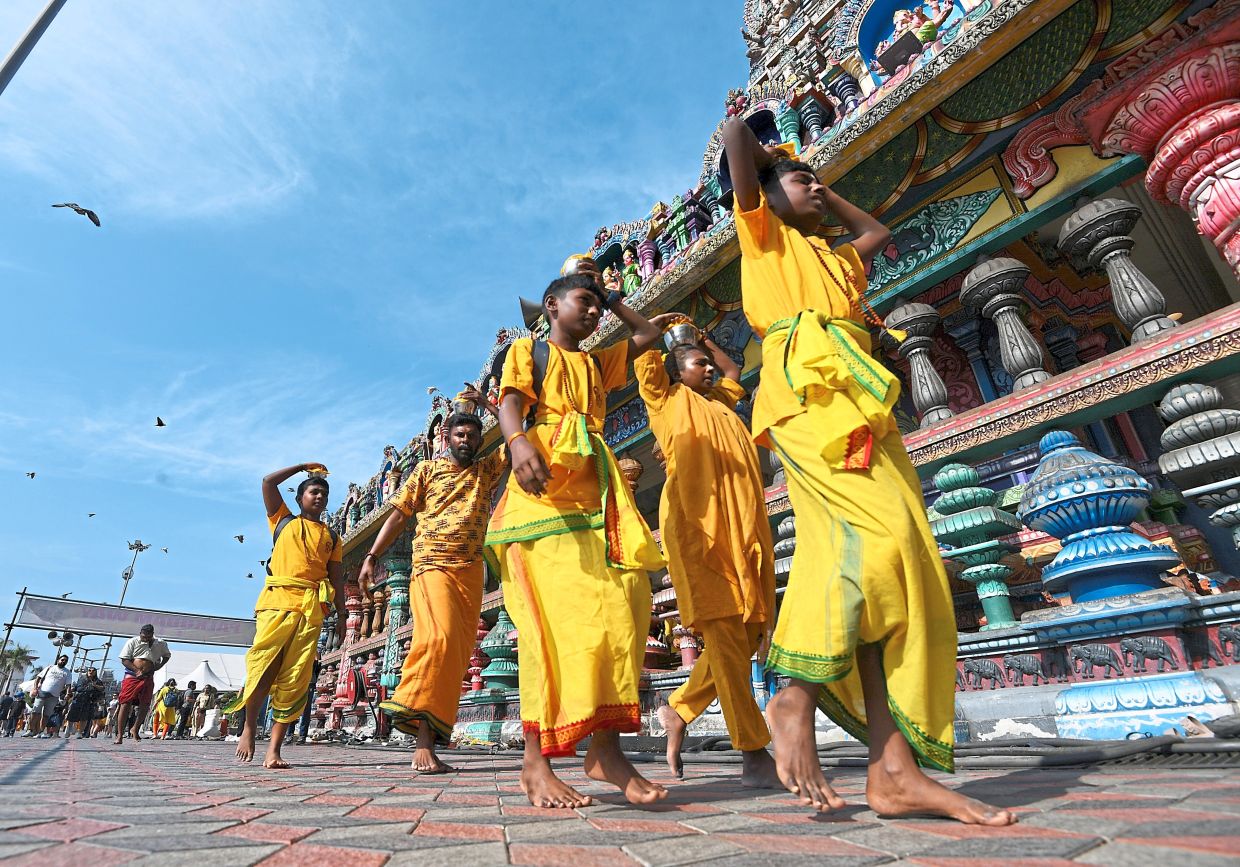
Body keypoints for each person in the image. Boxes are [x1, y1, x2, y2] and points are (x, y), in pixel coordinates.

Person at [722, 117, 1014, 825]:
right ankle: (793, 692)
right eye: (800, 182)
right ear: (766, 195)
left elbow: (876, 232)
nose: (813, 187)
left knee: (908, 561)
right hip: (808, 393)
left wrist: (820, 189)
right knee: (874, 542)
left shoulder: (834, 258)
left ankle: (895, 773)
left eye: (816, 181)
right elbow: (733, 135)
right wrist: (774, 159)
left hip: (860, 400)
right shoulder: (765, 237)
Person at [486, 258, 677, 808]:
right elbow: (510, 403)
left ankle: (606, 750)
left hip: (597, 495)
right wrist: (518, 443)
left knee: (622, 610)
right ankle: (535, 764)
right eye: (583, 302)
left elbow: (648, 334)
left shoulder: (596, 362)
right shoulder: (529, 351)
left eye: (596, 306)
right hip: (542, 493)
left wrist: (612, 296)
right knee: (550, 628)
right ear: (551, 306)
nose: (593, 312)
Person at [634, 335, 780, 787]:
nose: (710, 369)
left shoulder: (720, 403)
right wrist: (664, 334)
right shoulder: (666, 401)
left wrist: (703, 341)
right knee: (725, 632)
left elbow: (733, 371)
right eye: (699, 364)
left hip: (742, 528)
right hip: (699, 527)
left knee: (748, 630)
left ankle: (679, 710)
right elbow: (646, 360)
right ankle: (753, 751)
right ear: (677, 374)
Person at [367, 386, 507, 774]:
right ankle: (422, 739)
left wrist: (488, 405)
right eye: (460, 434)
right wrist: (372, 556)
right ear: (448, 436)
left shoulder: (485, 470)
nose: (467, 440)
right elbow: (398, 514)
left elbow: (518, 436)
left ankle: (432, 732)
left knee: (457, 655)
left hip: (470, 570)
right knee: (439, 639)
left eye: (473, 435)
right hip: (432, 564)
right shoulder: (426, 470)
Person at [223, 464, 345, 769]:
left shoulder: (332, 536)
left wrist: (343, 614)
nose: (320, 496)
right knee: (264, 666)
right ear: (300, 498)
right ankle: (249, 728)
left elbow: (336, 577)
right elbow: (268, 482)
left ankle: (274, 750)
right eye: (314, 491)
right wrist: (303, 467)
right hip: (277, 603)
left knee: (295, 676)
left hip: (310, 609)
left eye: (324, 493)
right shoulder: (283, 520)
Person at [115, 625, 172, 744]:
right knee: (125, 703)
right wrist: (137, 670)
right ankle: (119, 735)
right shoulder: (133, 641)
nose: (145, 638)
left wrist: (160, 665)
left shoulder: (160, 643)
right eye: (143, 636)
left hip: (148, 676)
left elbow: (167, 655)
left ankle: (135, 728)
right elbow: (124, 659)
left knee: (145, 704)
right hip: (132, 675)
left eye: (147, 637)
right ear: (140, 633)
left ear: (152, 634)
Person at [24, 655, 71, 738]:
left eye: (65, 661)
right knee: (35, 712)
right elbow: (38, 678)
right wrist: (35, 688)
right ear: (58, 660)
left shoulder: (67, 672)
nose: (63, 661)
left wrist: (67, 694)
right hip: (42, 693)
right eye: (62, 660)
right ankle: (30, 730)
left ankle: (41, 732)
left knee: (46, 715)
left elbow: (68, 685)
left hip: (54, 696)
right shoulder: (50, 668)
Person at [67, 668, 104, 739]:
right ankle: (68, 729)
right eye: (89, 670)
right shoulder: (82, 678)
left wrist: (95, 685)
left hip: (89, 701)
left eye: (93, 671)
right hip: (78, 698)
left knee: (84, 717)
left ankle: (80, 733)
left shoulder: (97, 681)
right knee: (72, 715)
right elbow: (76, 687)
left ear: (95, 672)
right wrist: (70, 691)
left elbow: (102, 688)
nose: (91, 672)